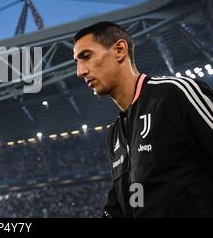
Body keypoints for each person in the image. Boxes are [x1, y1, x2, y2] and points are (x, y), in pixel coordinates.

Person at [72, 21, 213, 217]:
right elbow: (121, 207)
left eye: (86, 57)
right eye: (76, 62)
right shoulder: (114, 134)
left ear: (120, 50)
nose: (80, 72)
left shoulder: (174, 94)